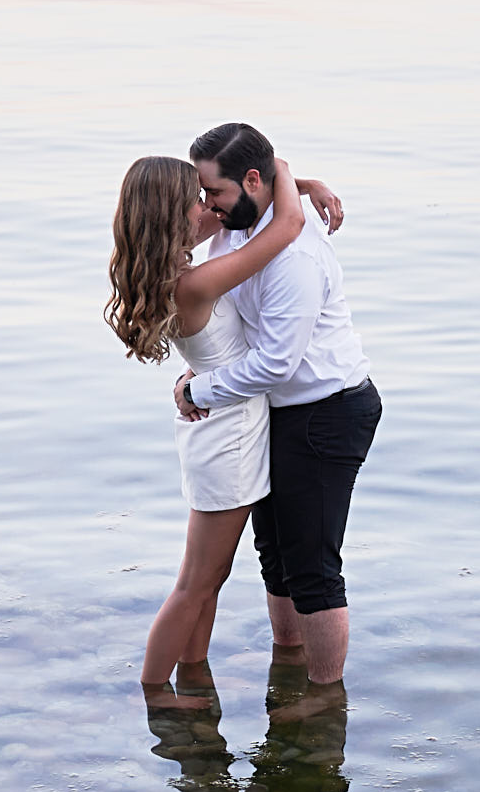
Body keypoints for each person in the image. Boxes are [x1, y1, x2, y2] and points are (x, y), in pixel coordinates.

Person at [106, 154, 343, 710]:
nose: (209, 207)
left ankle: (194, 675)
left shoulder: (175, 272)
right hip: (229, 440)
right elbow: (287, 225)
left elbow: (245, 204)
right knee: (196, 582)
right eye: (198, 200)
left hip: (221, 429)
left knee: (207, 579)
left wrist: (298, 182)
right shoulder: (196, 282)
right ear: (173, 216)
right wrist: (285, 169)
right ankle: (156, 692)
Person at [176, 123, 380, 712]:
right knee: (275, 553)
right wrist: (303, 180)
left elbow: (275, 362)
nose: (207, 205)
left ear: (252, 181)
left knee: (312, 564)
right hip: (275, 410)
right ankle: (288, 663)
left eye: (213, 192)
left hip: (326, 411)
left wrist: (201, 390)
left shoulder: (294, 256)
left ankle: (324, 697)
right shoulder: (240, 220)